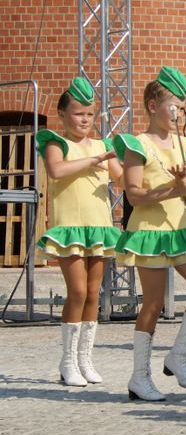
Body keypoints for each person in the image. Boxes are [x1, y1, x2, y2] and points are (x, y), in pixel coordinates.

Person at [114, 66, 186, 401]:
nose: (178, 113)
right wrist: (173, 189)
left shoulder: (184, 144)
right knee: (154, 303)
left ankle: (178, 355)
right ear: (151, 106)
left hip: (180, 228)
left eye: (182, 107)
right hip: (149, 231)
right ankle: (139, 377)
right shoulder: (137, 144)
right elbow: (134, 196)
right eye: (173, 105)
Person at [37, 77, 122, 386]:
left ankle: (86, 359)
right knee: (77, 290)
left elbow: (123, 180)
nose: (84, 120)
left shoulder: (105, 146)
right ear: (62, 115)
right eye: (77, 114)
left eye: (89, 114)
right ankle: (67, 361)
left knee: (93, 293)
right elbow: (56, 170)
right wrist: (92, 161)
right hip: (69, 228)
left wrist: (130, 164)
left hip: (99, 227)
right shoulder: (56, 143)